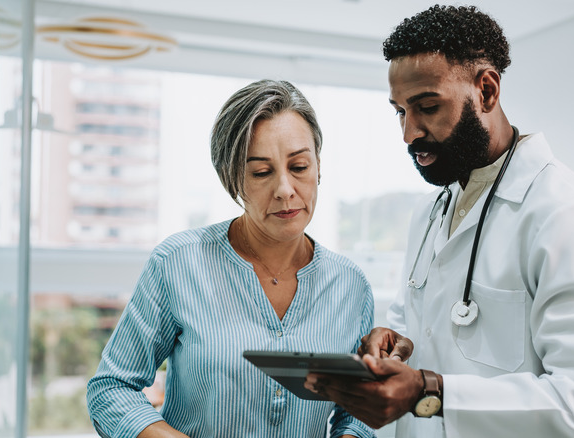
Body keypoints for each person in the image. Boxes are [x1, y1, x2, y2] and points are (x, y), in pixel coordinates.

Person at [304, 5, 574, 438]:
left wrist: (432, 392)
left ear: (487, 90)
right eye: (400, 111)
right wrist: (396, 343)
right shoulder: (430, 213)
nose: (409, 133)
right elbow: (418, 327)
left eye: (426, 106)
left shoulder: (571, 214)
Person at [87, 79, 375, 438]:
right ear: (233, 179)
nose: (285, 189)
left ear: (318, 167)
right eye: (261, 172)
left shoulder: (351, 286)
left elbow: (357, 411)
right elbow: (111, 389)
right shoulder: (178, 263)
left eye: (299, 167)